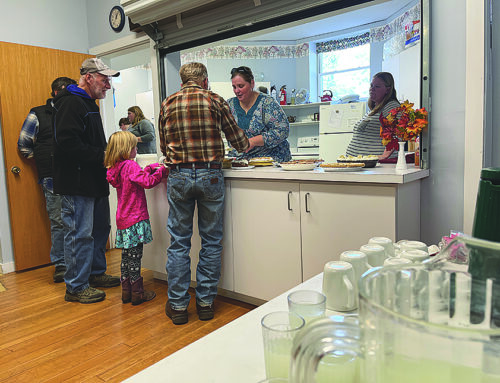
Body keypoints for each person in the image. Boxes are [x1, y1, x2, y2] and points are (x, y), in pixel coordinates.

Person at [158, 62, 250, 325]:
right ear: (205, 80)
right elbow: (239, 143)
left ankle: (177, 306)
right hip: (210, 175)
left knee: (179, 242)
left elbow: (164, 146)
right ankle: (206, 303)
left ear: (182, 81)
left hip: (179, 175)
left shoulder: (168, 103)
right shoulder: (216, 100)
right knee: (211, 241)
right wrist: (243, 143)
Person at [53, 58, 121, 304]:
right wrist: (102, 156)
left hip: (94, 180)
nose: (108, 86)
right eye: (105, 80)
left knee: (101, 228)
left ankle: (94, 273)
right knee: (79, 234)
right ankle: (76, 286)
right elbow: (67, 143)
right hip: (77, 182)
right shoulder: (71, 103)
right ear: (89, 77)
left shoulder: (88, 103)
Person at [17, 76, 76, 283]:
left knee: (79, 221)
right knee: (59, 222)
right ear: (58, 92)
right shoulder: (38, 113)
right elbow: (24, 145)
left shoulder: (75, 110)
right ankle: (61, 264)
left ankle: (78, 263)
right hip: (52, 176)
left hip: (77, 174)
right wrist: (45, 160)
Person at [105, 131, 168, 305]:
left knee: (126, 257)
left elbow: (135, 177)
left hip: (123, 219)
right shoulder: (130, 166)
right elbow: (147, 182)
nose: (136, 148)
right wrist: (161, 172)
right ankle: (138, 293)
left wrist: (147, 169)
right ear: (126, 148)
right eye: (134, 146)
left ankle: (126, 292)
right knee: (135, 257)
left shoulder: (116, 167)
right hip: (136, 218)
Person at [227, 66, 291, 162]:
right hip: (243, 163)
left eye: (241, 86)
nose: (237, 90)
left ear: (252, 83)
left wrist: (253, 141)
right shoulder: (230, 105)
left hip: (272, 161)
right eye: (234, 87)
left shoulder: (267, 103)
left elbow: (283, 130)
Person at [345, 72, 401, 159]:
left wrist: (384, 156)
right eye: (371, 86)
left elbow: (399, 132)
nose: (372, 89)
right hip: (363, 164)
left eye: (377, 86)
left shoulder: (391, 106)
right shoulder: (375, 109)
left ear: (388, 89)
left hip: (375, 165)